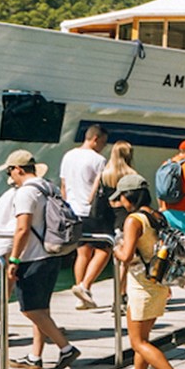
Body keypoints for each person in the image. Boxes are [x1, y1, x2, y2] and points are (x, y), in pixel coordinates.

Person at [106, 173, 185, 369]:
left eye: (121, 197)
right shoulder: (157, 216)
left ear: (128, 196)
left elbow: (125, 256)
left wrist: (114, 247)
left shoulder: (133, 220)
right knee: (143, 339)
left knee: (137, 343)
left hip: (141, 286)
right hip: (159, 285)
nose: (120, 202)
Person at [0, 150, 81, 369]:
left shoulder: (26, 193)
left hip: (32, 257)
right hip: (52, 254)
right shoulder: (49, 187)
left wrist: (14, 258)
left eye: (10, 171)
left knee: (30, 310)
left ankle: (66, 348)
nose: (10, 177)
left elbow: (23, 228)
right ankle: (36, 356)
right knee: (42, 308)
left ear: (18, 169)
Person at [76, 138, 134, 311]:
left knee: (84, 253)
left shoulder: (104, 173)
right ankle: (120, 297)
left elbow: (91, 197)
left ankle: (82, 288)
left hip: (101, 218)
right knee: (124, 260)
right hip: (122, 218)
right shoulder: (131, 174)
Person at [61, 125, 108, 310]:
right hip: (90, 210)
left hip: (72, 210)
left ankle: (81, 296)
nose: (103, 146)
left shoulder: (68, 156)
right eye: (103, 142)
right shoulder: (99, 160)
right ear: (95, 139)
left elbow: (63, 184)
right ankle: (85, 285)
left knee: (82, 252)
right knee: (104, 249)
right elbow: (99, 187)